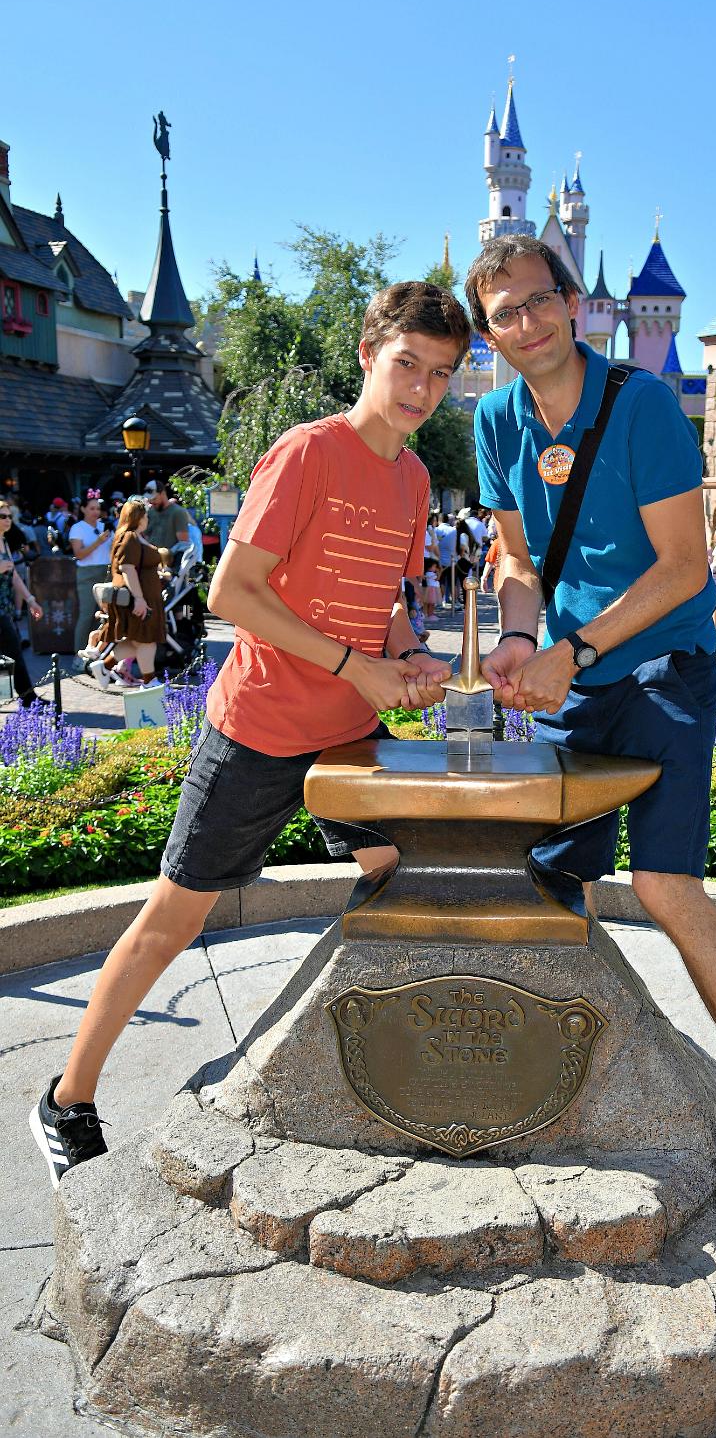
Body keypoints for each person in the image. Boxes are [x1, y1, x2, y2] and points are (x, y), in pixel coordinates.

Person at [29, 280, 466, 1186]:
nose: (423, 389)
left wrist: (410, 654)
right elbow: (232, 593)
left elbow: (383, 601)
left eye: (441, 374)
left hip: (348, 732)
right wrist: (356, 667)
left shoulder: (416, 477)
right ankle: (67, 1100)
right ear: (368, 356)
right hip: (258, 727)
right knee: (173, 920)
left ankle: (364, 1059)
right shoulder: (308, 452)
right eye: (408, 365)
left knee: (401, 878)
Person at [467, 233, 716, 1227]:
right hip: (574, 671)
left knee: (664, 884)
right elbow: (516, 560)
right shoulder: (495, 418)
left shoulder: (644, 402)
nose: (527, 322)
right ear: (490, 333)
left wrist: (569, 651)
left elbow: (682, 569)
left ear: (574, 302)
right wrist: (521, 636)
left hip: (662, 664)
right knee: (553, 876)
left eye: (540, 300)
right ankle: (568, 1073)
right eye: (505, 312)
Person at [87, 497, 167, 690]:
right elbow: (127, 568)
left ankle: (104, 666)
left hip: (145, 598)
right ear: (138, 517)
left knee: (138, 641)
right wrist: (139, 599)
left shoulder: (135, 537)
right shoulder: (130, 537)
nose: (147, 519)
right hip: (139, 599)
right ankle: (149, 682)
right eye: (145, 515)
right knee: (146, 640)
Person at [0, 503, 44, 707]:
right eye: (2, 516)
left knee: (9, 651)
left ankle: (23, 696)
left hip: (5, 607)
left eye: (9, 516)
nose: (7, 520)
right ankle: (28, 697)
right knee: (13, 649)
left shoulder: (4, 541)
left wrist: (31, 600)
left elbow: (14, 576)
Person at [68, 490, 114, 654]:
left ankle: (98, 652)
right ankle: (78, 655)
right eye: (92, 508)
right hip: (87, 574)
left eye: (98, 508)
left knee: (103, 615)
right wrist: (98, 542)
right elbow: (79, 554)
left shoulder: (105, 526)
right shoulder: (77, 528)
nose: (96, 512)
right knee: (87, 615)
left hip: (107, 572)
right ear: (83, 509)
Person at [143, 482, 191, 559]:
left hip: (169, 561)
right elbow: (145, 535)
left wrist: (168, 557)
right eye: (149, 499)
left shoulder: (178, 512)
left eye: (154, 498)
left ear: (162, 494)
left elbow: (183, 543)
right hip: (151, 559)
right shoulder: (150, 512)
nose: (152, 502)